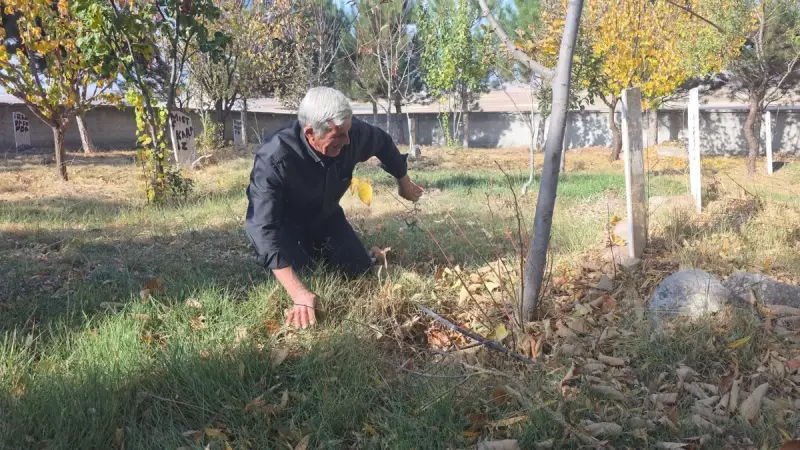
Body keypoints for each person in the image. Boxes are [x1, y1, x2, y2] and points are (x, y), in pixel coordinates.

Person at [244, 87, 424, 329]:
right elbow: (261, 228)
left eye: (348, 133)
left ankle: (355, 252)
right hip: (288, 228)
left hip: (328, 218)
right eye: (339, 136)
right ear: (310, 133)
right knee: (308, 276)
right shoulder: (274, 159)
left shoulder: (351, 134)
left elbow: (382, 143)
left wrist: (403, 181)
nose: (348, 141)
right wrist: (298, 293)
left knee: (358, 271)